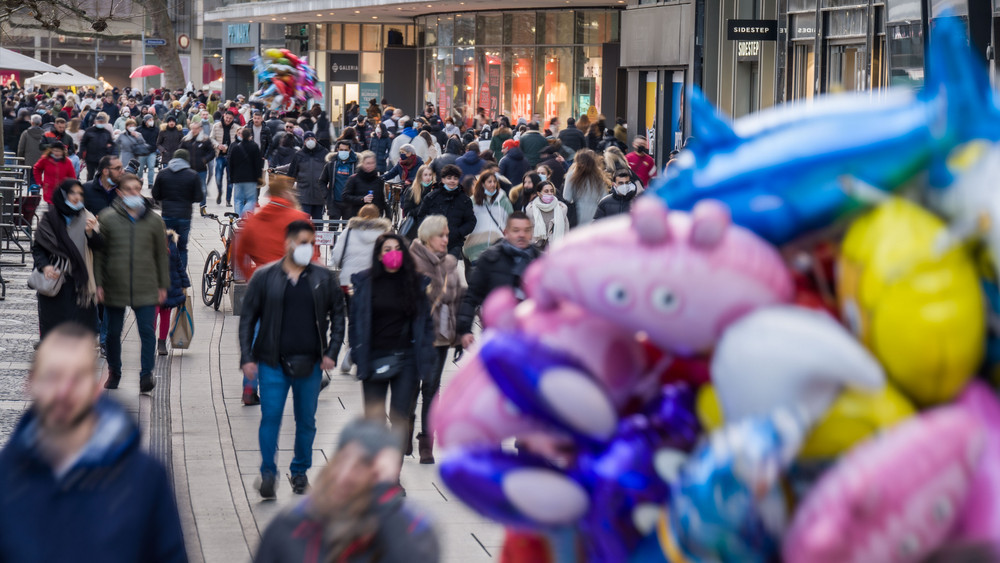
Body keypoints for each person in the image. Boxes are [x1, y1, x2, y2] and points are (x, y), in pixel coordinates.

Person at [0, 323, 188, 563]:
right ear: (31, 383)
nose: (63, 391)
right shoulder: (7, 478)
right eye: (53, 376)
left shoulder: (144, 478)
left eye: (76, 378)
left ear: (96, 387)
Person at [239, 221, 345, 498]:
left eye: (311, 242)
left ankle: (299, 472)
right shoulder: (265, 277)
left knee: (306, 421)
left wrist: (332, 351)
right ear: (287, 243)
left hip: (309, 363)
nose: (307, 247)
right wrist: (247, 357)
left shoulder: (323, 277)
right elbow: (248, 319)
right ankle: (267, 473)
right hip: (272, 361)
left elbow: (339, 314)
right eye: (301, 242)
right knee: (270, 417)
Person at [253, 419, 439, 562]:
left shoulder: (413, 531)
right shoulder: (291, 526)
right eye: (343, 460)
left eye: (361, 465)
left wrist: (383, 500)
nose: (344, 475)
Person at [349, 234, 435, 457]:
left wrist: (425, 353)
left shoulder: (415, 283)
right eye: (387, 249)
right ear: (378, 255)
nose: (392, 253)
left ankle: (392, 477)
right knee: (375, 420)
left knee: (399, 418)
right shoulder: (365, 283)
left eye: (397, 248)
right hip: (374, 356)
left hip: (406, 358)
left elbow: (425, 322)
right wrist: (358, 354)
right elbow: (356, 321)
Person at [94, 174, 169, 394]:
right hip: (114, 284)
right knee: (113, 333)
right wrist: (99, 283)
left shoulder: (155, 221)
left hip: (145, 285)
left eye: (137, 189)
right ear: (119, 193)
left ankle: (146, 375)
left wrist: (163, 285)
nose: (134, 193)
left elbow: (161, 256)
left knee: (147, 332)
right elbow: (100, 254)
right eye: (129, 190)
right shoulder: (107, 219)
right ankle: (114, 371)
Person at [408, 216, 461, 464]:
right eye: (442, 235)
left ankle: (426, 442)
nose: (446, 240)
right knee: (410, 389)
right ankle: (404, 430)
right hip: (416, 337)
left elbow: (459, 300)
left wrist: (459, 335)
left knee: (431, 389)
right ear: (428, 237)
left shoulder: (450, 263)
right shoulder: (412, 261)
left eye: (447, 235)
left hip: (440, 337)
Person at [457, 212, 541, 349]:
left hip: (530, 335)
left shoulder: (540, 262)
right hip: (496, 334)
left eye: (526, 230)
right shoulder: (490, 258)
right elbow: (472, 296)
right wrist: (465, 330)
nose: (521, 235)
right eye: (516, 230)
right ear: (505, 232)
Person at [31, 180, 102, 339]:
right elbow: (38, 248)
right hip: (54, 283)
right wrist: (45, 266)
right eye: (72, 193)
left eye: (80, 193)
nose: (77, 197)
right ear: (63, 195)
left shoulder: (88, 218)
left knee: (78, 333)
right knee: (53, 332)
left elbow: (99, 247)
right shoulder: (49, 219)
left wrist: (91, 233)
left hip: (80, 285)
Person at [151, 149, 204, 269]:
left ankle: (167, 273)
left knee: (167, 246)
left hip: (167, 215)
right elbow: (198, 197)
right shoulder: (192, 175)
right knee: (182, 248)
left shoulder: (163, 173)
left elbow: (155, 195)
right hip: (184, 216)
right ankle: (180, 275)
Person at [414, 164, 476, 258]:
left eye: (455, 178)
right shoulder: (432, 197)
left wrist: (458, 233)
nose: (452, 181)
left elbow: (471, 221)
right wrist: (427, 233)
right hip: (432, 243)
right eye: (449, 178)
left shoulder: (465, 200)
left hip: (454, 244)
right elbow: (421, 216)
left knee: (449, 270)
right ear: (443, 180)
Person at [329, 204, 392, 282]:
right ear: (377, 215)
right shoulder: (384, 234)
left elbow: (337, 254)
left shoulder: (349, 231)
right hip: (374, 280)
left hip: (348, 278)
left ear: (360, 214)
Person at [463, 170, 513, 263]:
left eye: (494, 181)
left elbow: (510, 222)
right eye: (489, 182)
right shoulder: (472, 202)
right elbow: (464, 222)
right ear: (482, 184)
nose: (493, 184)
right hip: (476, 250)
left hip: (498, 249)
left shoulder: (503, 201)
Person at [155, 230, 191, 356]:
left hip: (169, 288)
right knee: (152, 317)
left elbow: (178, 265)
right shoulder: (149, 244)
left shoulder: (171, 245)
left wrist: (184, 283)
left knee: (165, 317)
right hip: (154, 288)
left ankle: (162, 342)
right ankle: (148, 343)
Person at [287, 131, 330, 221]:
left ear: (316, 140)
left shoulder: (324, 153)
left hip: (319, 196)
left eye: (312, 139)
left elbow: (329, 173)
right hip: (303, 196)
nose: (310, 141)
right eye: (307, 139)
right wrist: (288, 193)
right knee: (303, 221)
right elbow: (291, 175)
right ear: (304, 142)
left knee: (318, 224)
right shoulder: (299, 155)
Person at [563, 149, 609, 228]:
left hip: (577, 214)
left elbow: (566, 197)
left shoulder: (572, 175)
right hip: (595, 214)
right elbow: (604, 198)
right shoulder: (599, 175)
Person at [179, 120, 215, 214]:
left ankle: (203, 208)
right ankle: (187, 207)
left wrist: (204, 160)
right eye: (192, 128)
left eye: (196, 128)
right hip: (188, 169)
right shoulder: (186, 140)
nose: (194, 130)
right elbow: (180, 152)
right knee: (187, 189)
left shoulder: (205, 140)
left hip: (201, 169)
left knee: (202, 189)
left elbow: (212, 153)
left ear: (200, 129)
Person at [319, 138, 358, 221]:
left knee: (347, 230)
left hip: (350, 204)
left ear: (350, 150)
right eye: (341, 150)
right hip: (334, 203)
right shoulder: (331, 164)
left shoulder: (356, 165)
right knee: (333, 230)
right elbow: (322, 181)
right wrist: (327, 196)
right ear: (337, 150)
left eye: (346, 150)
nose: (343, 152)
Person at [227, 128, 264, 216]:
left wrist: (231, 178)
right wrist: (259, 177)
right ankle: (244, 216)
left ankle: (238, 218)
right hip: (251, 178)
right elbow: (258, 164)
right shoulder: (254, 147)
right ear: (250, 136)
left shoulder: (236, 147)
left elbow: (231, 164)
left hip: (238, 178)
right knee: (251, 199)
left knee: (238, 200)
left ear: (242, 136)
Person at [341, 151, 388, 218]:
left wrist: (385, 215)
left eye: (372, 163)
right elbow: (345, 197)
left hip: (374, 218)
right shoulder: (353, 179)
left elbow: (381, 200)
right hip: (357, 217)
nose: (370, 166)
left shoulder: (379, 180)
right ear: (362, 163)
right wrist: (362, 199)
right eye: (368, 163)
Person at [525, 181, 570, 249]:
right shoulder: (531, 210)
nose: (550, 193)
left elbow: (565, 229)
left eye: (551, 191)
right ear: (539, 194)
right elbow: (528, 230)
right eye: (546, 191)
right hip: (536, 248)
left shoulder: (560, 209)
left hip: (556, 248)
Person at [210, 111, 238, 205]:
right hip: (220, 155)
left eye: (230, 119)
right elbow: (211, 138)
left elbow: (239, 140)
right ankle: (219, 192)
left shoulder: (236, 127)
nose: (228, 120)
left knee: (230, 179)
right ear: (224, 116)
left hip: (232, 157)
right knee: (218, 177)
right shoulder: (216, 126)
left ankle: (228, 200)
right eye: (227, 118)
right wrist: (217, 145)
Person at [80, 112, 114, 181]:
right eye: (99, 122)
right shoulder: (89, 131)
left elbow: (111, 144)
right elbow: (83, 143)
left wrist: (109, 153)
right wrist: (82, 153)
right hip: (90, 158)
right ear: (95, 122)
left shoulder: (106, 133)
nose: (100, 123)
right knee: (90, 175)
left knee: (101, 176)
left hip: (102, 158)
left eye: (102, 122)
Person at [17, 114, 45, 185]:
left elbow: (21, 148)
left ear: (31, 122)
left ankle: (33, 193)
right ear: (40, 123)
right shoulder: (44, 134)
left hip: (29, 160)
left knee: (31, 178)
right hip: (41, 160)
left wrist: (20, 159)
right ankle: (36, 192)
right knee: (38, 177)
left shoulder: (25, 133)